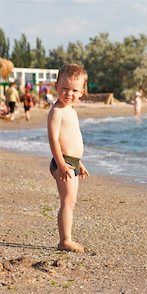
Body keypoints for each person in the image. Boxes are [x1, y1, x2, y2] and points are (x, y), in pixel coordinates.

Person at [47, 64, 89, 253]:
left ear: (82, 92)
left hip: (71, 161)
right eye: (64, 88)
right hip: (62, 161)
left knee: (70, 201)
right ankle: (65, 240)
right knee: (67, 201)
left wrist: (79, 163)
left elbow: (71, 139)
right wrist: (62, 163)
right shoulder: (57, 111)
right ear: (56, 86)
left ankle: (67, 238)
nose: (69, 93)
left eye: (74, 90)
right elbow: (54, 139)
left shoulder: (71, 110)